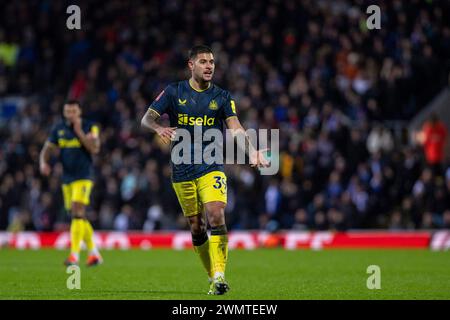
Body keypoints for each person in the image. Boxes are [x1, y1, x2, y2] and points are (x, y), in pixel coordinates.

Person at [141, 45, 269, 295]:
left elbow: (236, 128)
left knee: (216, 214)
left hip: (211, 166)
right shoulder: (173, 91)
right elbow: (146, 119)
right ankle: (213, 277)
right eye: (203, 61)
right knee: (196, 226)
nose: (209, 66)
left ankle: (220, 275)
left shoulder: (222, 96)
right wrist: (158, 128)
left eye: (212, 62)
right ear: (191, 65)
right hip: (181, 169)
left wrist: (252, 151)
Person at [39, 100, 103, 266]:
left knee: (77, 210)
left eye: (73, 111)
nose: (70, 115)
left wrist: (79, 132)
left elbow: (95, 149)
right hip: (67, 179)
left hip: (84, 176)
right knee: (78, 216)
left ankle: (74, 255)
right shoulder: (58, 128)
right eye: (67, 111)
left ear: (79, 111)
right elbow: (47, 148)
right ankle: (94, 253)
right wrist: (43, 163)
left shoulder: (90, 127)